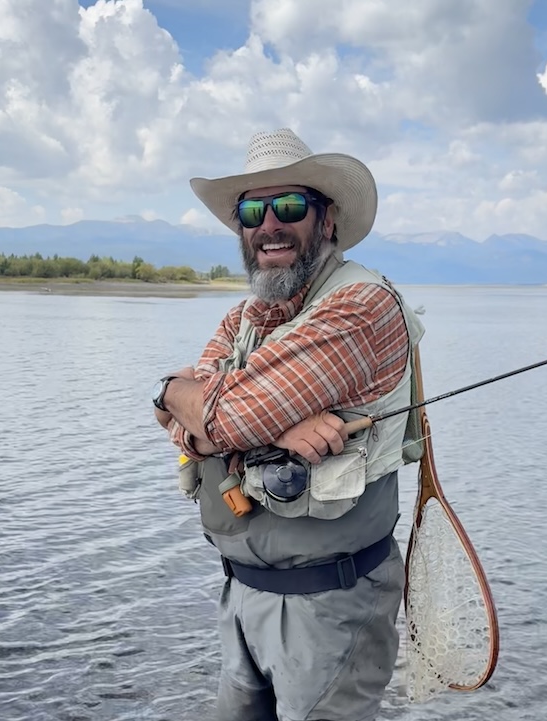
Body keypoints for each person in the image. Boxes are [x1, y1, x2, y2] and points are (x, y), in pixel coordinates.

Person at [151, 128, 425, 721]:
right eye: (253, 211)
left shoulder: (362, 305)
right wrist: (262, 426)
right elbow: (186, 419)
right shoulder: (245, 316)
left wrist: (182, 396)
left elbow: (220, 415)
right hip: (242, 594)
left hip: (330, 605)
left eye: (290, 206)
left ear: (327, 219)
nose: (269, 224)